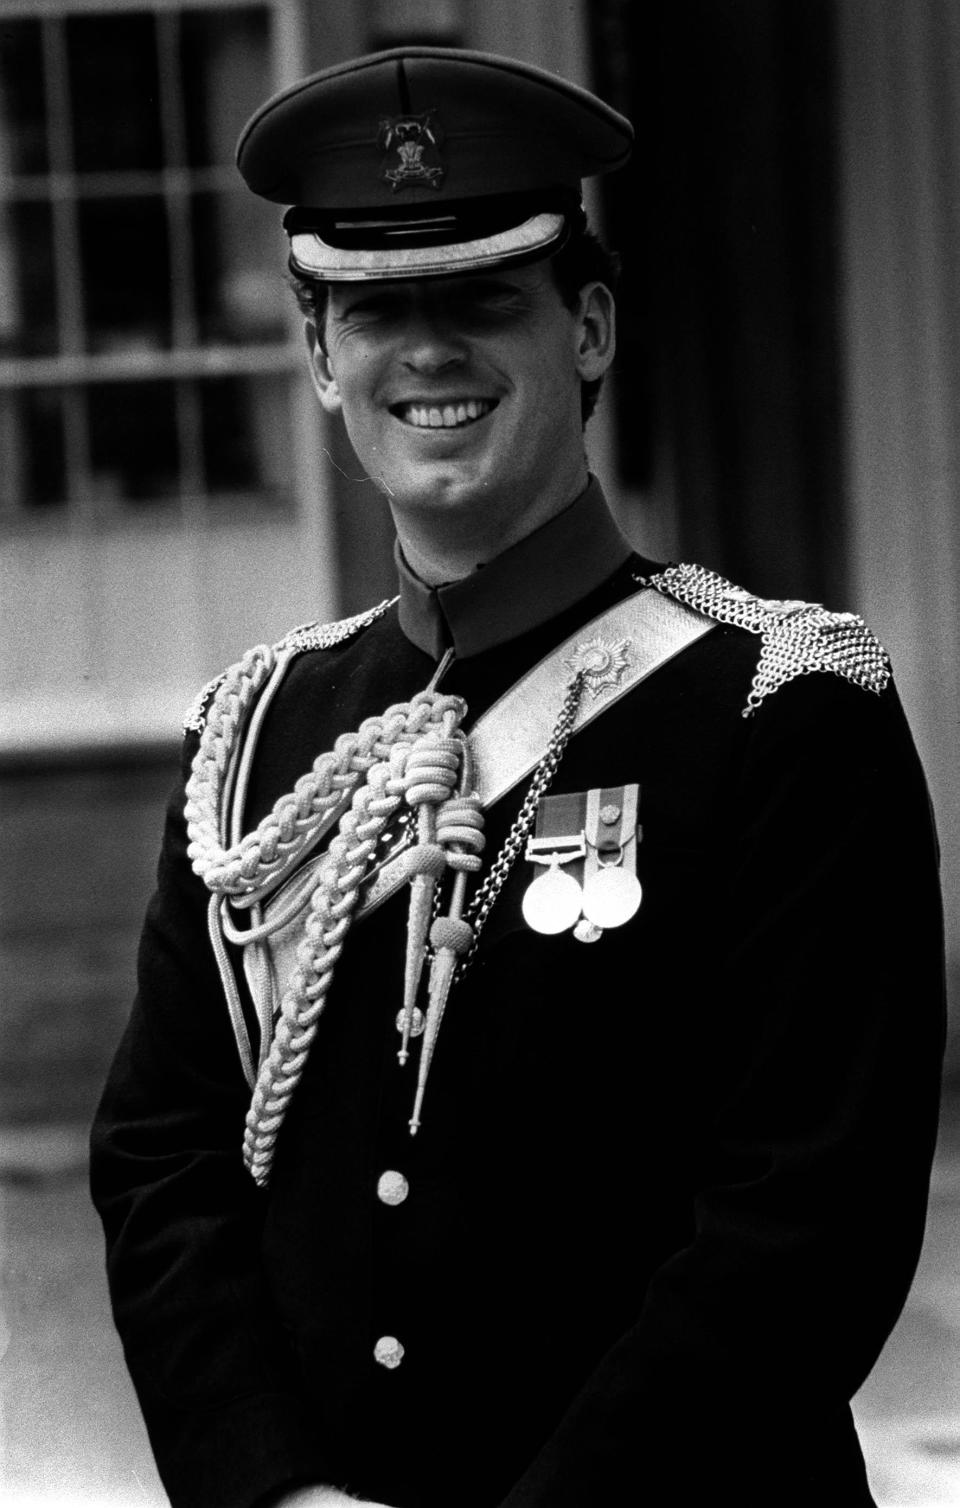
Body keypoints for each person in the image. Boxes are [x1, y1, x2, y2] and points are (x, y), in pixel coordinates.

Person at [90, 45, 945, 1508]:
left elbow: (806, 1222)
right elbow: (166, 1164)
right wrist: (271, 1490)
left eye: (484, 298)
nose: (427, 353)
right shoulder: (253, 736)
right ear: (316, 353)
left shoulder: (782, 704)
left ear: (591, 327)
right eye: (373, 310)